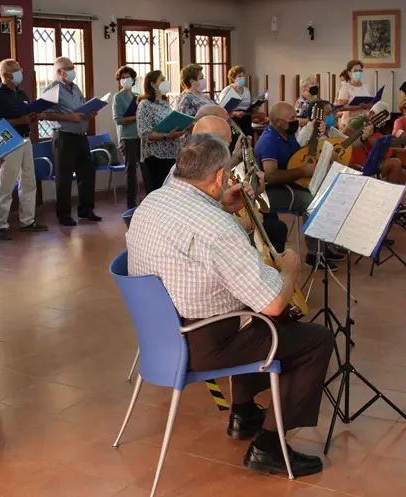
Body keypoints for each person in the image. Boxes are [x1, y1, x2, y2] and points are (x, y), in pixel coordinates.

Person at [127, 133, 333, 479]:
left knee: (243, 311)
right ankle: (268, 448)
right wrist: (289, 271)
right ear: (220, 177)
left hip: (160, 337)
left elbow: (190, 227)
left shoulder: (154, 201)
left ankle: (243, 415)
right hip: (201, 343)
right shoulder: (217, 229)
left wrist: (222, 204)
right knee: (313, 339)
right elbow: (272, 303)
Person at [255, 102, 345, 269]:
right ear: (278, 122)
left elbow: (298, 156)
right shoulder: (269, 141)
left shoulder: (286, 134)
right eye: (292, 118)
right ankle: (315, 254)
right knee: (313, 202)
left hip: (289, 183)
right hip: (270, 191)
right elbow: (271, 175)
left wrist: (316, 144)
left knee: (325, 193)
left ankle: (323, 247)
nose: (296, 121)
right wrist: (302, 172)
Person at [191, 115, 289, 253]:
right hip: (217, 238)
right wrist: (243, 223)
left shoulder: (199, 161)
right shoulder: (196, 173)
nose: (229, 148)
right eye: (227, 144)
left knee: (271, 217)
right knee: (276, 228)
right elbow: (203, 222)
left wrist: (249, 187)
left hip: (222, 216)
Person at [0, 58, 47, 239]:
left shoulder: (22, 94)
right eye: (16, 70)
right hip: (8, 142)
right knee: (6, 183)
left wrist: (32, 116)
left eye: (20, 69)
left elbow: (26, 114)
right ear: (6, 75)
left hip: (25, 139)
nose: (20, 72)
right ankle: (1, 225)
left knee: (29, 181)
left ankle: (28, 220)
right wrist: (19, 121)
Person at [42, 57, 100, 227]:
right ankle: (63, 214)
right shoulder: (52, 89)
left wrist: (90, 112)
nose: (72, 71)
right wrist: (68, 117)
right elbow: (45, 115)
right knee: (64, 177)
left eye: (73, 67)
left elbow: (81, 108)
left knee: (87, 173)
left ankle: (86, 209)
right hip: (64, 136)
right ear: (59, 72)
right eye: (68, 68)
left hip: (81, 136)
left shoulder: (75, 88)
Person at [137, 70, 187, 194]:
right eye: (162, 80)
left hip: (172, 154)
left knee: (171, 194)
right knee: (158, 193)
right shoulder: (145, 105)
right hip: (155, 158)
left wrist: (181, 127)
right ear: (153, 84)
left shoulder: (165, 104)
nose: (166, 82)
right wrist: (166, 135)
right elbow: (144, 133)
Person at [342, 102, 406, 188]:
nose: (381, 124)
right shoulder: (358, 121)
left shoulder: (376, 126)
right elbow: (344, 137)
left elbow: (379, 144)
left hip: (371, 158)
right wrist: (363, 138)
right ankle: (389, 196)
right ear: (371, 113)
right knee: (396, 163)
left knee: (403, 173)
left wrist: (403, 148)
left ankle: (394, 199)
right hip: (358, 162)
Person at [112, 65, 144, 209]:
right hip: (127, 138)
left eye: (128, 77)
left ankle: (146, 201)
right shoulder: (118, 97)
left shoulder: (138, 96)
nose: (125, 80)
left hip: (140, 136)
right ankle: (131, 203)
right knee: (130, 171)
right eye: (123, 78)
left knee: (145, 169)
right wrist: (135, 117)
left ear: (133, 79)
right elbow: (118, 120)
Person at [336, 60, 373, 129]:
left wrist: (371, 104)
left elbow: (369, 102)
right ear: (349, 73)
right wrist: (359, 107)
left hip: (364, 122)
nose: (358, 73)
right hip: (350, 124)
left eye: (360, 70)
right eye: (355, 71)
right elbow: (340, 107)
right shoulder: (345, 88)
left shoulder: (365, 87)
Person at [219, 65, 254, 138]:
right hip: (233, 121)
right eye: (239, 76)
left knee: (248, 140)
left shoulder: (246, 90)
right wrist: (235, 113)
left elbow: (248, 105)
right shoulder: (227, 90)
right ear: (233, 78)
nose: (242, 78)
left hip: (246, 119)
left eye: (243, 76)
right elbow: (221, 109)